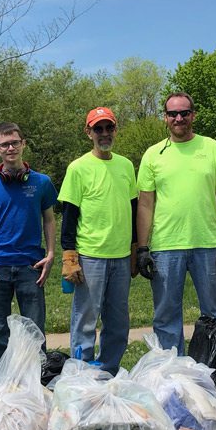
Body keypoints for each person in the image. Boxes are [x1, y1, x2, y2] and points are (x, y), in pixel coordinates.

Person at [136, 92, 216, 354]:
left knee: (214, 314)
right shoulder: (152, 154)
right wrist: (143, 248)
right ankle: (173, 375)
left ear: (193, 115)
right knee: (166, 316)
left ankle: (214, 370)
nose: (179, 118)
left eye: (184, 112)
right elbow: (145, 203)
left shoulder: (212, 148)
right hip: (166, 246)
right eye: (173, 113)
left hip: (208, 243)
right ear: (165, 118)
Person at [58, 107, 138, 375]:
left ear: (116, 129)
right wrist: (69, 255)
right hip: (90, 254)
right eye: (98, 129)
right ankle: (81, 374)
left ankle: (108, 371)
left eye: (108, 128)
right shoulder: (78, 168)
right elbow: (69, 214)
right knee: (86, 319)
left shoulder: (126, 165)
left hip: (121, 255)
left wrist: (136, 248)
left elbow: (134, 207)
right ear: (88, 132)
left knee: (118, 321)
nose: (104, 134)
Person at [0, 122, 57, 371]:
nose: (10, 148)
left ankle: (37, 382)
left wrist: (51, 253)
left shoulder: (42, 182)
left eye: (14, 142)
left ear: (23, 144)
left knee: (34, 330)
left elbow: (50, 219)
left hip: (30, 265)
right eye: (4, 144)